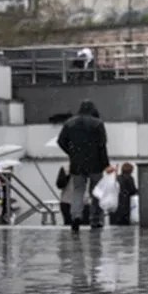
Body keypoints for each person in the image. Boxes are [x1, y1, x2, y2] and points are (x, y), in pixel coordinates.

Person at [56, 100, 109, 233]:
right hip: (96, 163)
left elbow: (61, 141)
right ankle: (95, 219)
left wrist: (72, 153)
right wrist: (106, 164)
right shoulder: (97, 123)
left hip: (77, 163)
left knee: (78, 190)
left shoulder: (69, 123)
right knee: (96, 192)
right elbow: (102, 145)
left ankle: (76, 217)